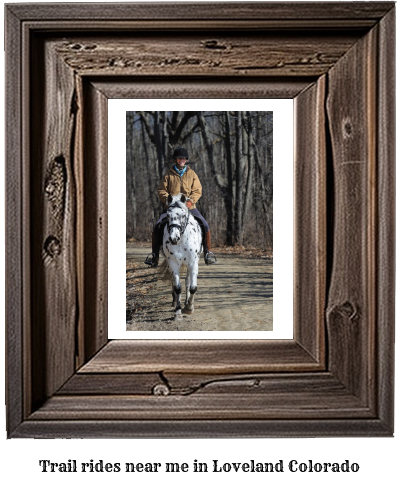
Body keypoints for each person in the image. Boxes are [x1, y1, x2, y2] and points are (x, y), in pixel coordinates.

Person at [144, 147, 217, 267]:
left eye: (183, 158)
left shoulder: (192, 174)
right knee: (157, 226)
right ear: (175, 160)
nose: (181, 160)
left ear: (186, 160)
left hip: (189, 207)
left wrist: (191, 201)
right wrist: (169, 200)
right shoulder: (168, 174)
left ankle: (208, 253)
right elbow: (161, 190)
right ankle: (154, 255)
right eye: (179, 158)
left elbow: (197, 190)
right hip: (172, 208)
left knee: (205, 224)